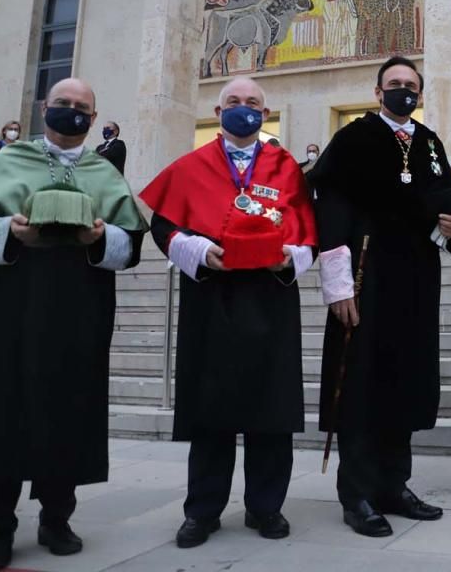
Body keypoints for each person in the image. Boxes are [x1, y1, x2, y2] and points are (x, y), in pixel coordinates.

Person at [0, 78, 147, 572]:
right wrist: (9, 231)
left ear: (94, 120)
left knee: (69, 409)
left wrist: (100, 236)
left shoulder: (102, 170)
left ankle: (57, 519)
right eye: (62, 105)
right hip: (14, 307)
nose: (71, 113)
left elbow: (131, 244)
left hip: (80, 309)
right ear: (43, 109)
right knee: (2, 408)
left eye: (81, 108)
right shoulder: (10, 161)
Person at [139, 76, 317, 548]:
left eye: (253, 103)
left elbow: (309, 232)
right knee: (211, 409)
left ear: (266, 112)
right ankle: (202, 510)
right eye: (234, 102)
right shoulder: (190, 166)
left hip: (270, 299)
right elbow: (163, 227)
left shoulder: (286, 168)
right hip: (212, 299)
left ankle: (266, 507)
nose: (244, 109)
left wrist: (292, 256)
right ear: (218, 114)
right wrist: (195, 249)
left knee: (271, 408)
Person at [309, 56, 451, 538]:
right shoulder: (353, 139)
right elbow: (329, 205)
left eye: (411, 85)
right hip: (363, 274)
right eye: (394, 85)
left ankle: (395, 485)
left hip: (415, 278)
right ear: (377, 92)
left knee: (405, 380)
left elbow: (445, 195)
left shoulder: (430, 143)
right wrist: (336, 282)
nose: (403, 92)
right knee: (362, 383)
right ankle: (357, 494)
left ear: (421, 93)